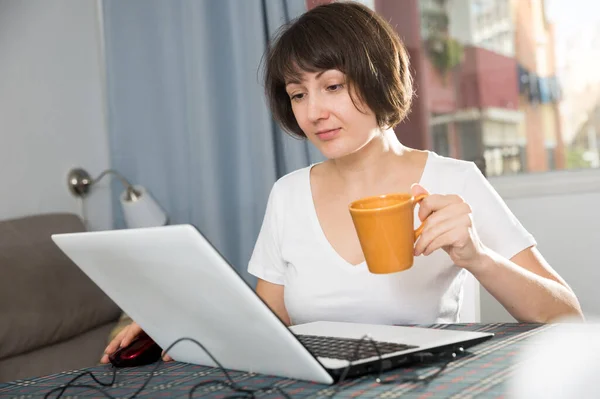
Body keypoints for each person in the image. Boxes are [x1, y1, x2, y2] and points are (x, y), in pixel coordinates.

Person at [101, 1, 582, 364]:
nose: (314, 112)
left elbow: (566, 315)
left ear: (378, 76)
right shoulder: (288, 193)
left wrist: (477, 256)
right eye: (297, 94)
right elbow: (268, 321)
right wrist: (181, 325)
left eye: (332, 86)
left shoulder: (452, 180)